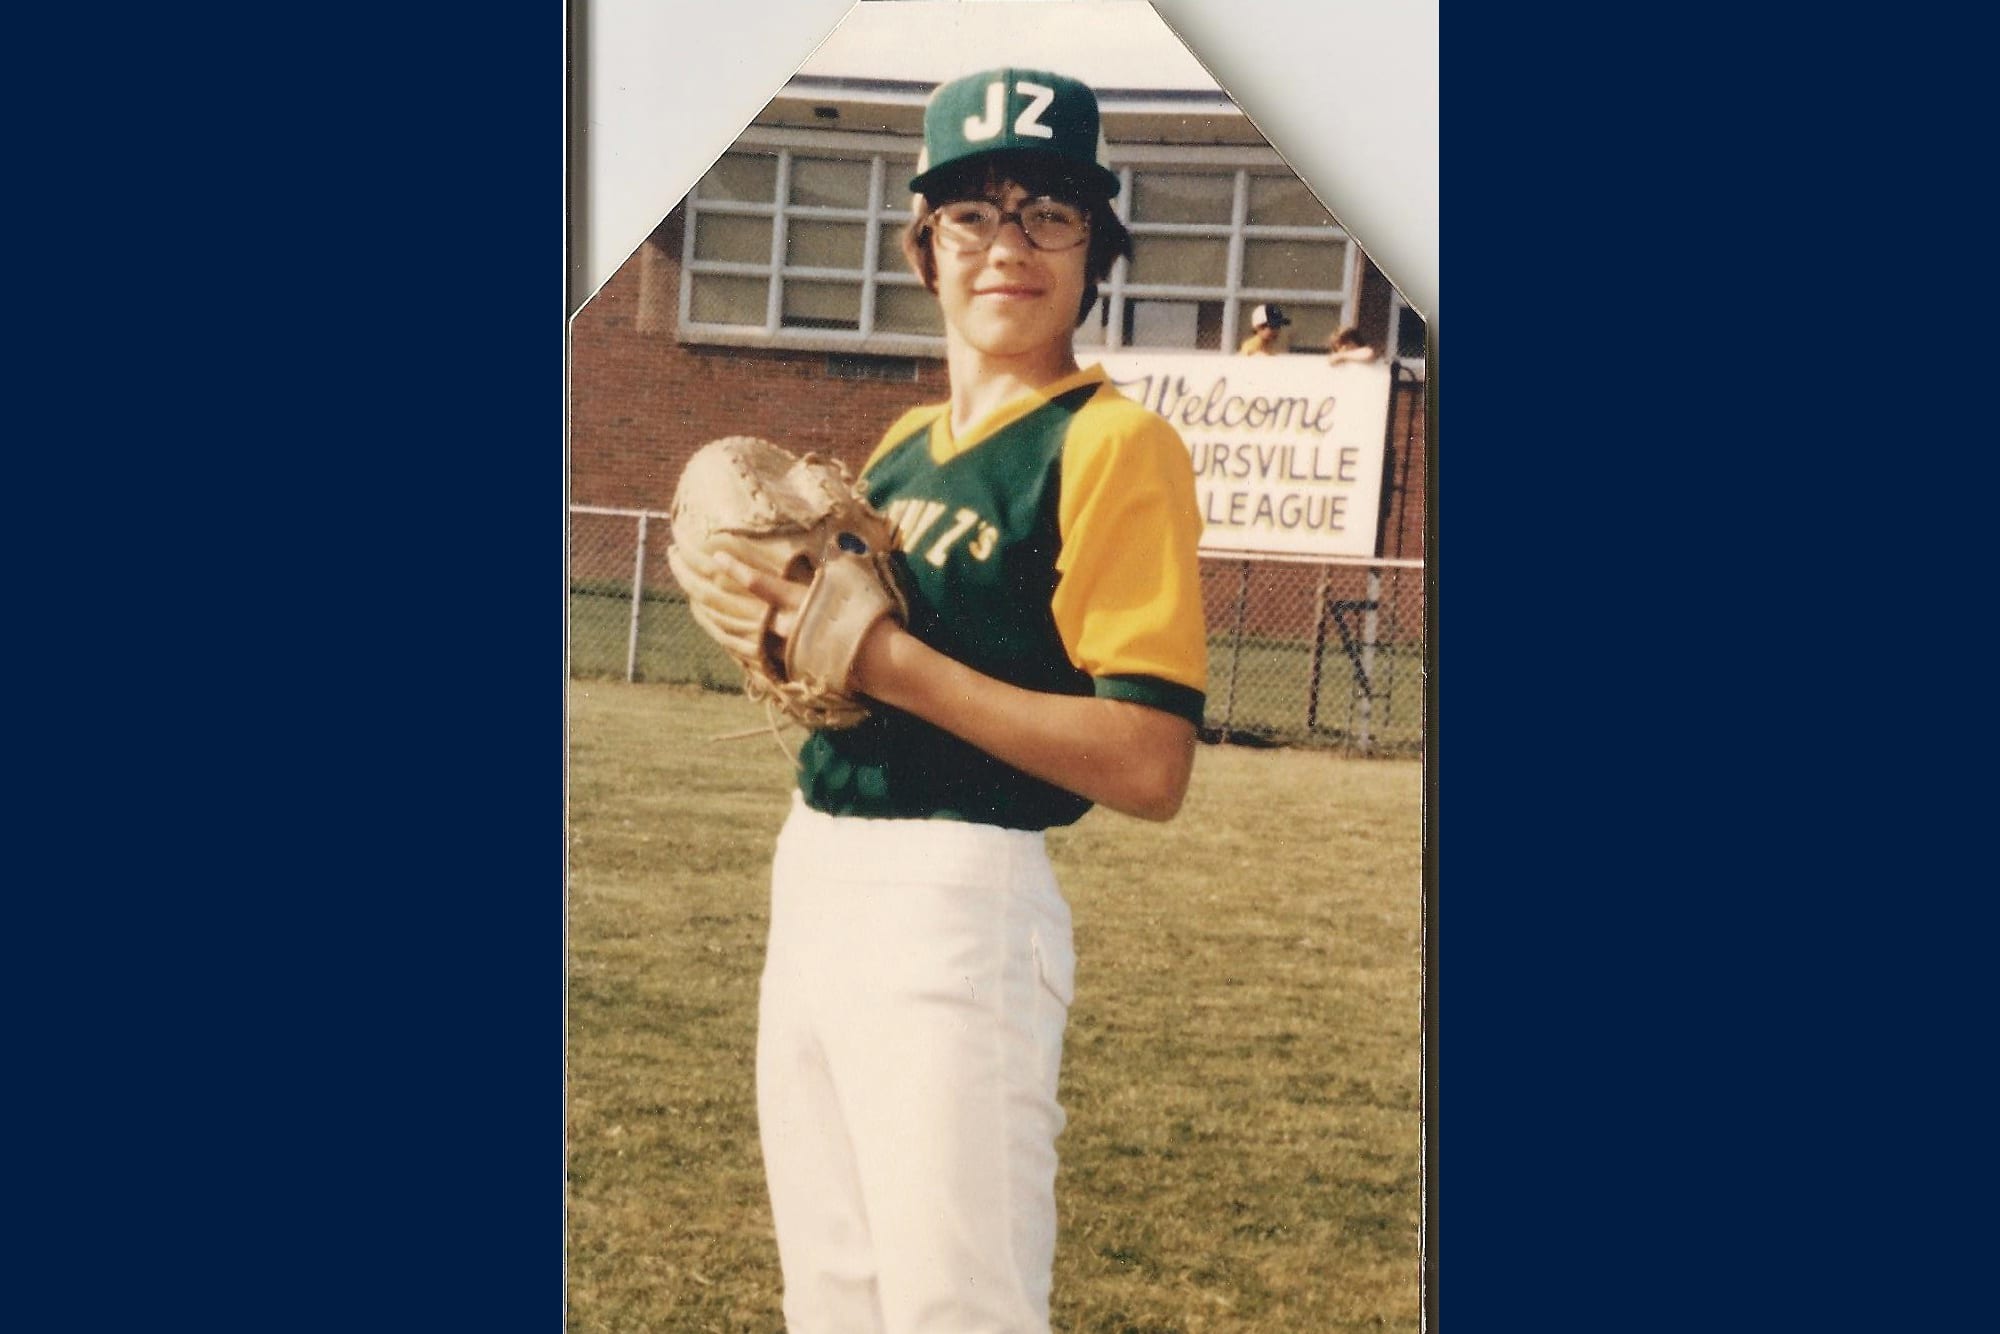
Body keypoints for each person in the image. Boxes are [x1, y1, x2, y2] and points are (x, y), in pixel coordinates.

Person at [707, 67, 1209, 1334]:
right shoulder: (896, 449)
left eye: (1049, 210)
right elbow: (839, 672)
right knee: (835, 1291)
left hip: (960, 895)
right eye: (972, 214)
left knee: (955, 1305)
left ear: (1095, 248)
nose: (1008, 246)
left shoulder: (1107, 442)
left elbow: (1149, 760)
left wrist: (881, 659)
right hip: (815, 870)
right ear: (923, 248)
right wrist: (770, 634)